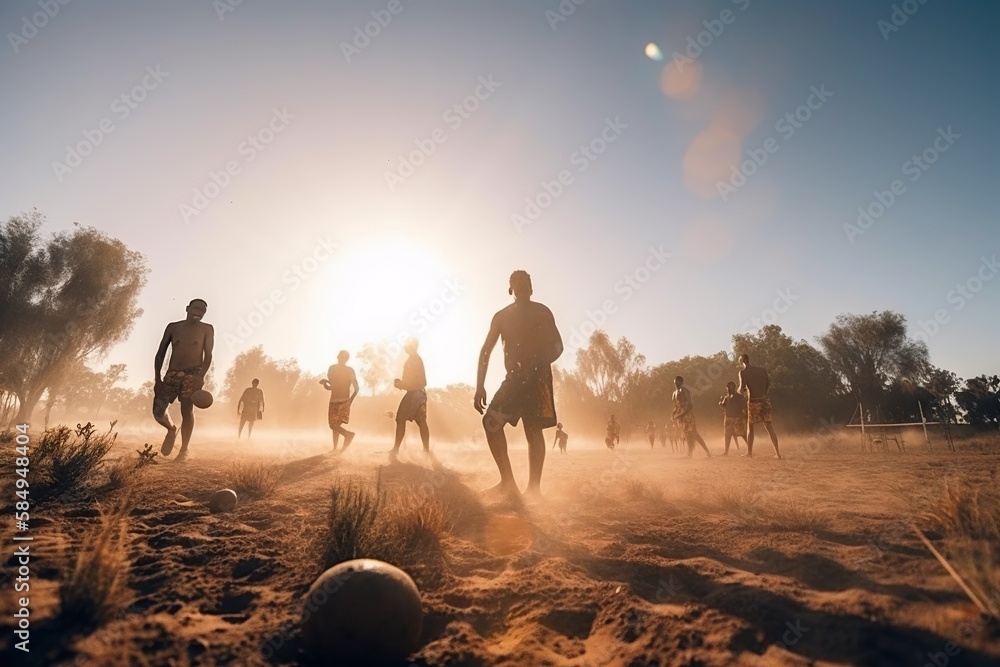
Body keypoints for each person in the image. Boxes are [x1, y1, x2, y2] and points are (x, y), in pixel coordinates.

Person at [474, 270, 563, 497]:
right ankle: (508, 483)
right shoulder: (501, 317)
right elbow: (486, 351)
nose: (522, 288)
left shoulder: (543, 312)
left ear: (532, 288)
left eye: (526, 284)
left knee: (533, 430)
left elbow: (558, 346)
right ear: (511, 289)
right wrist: (479, 386)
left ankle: (534, 489)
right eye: (518, 285)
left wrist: (538, 363)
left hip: (537, 378)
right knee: (491, 423)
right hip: (513, 380)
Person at [153, 298, 214, 462]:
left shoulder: (207, 329)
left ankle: (183, 451)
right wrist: (157, 378)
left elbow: (208, 355)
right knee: (158, 411)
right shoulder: (173, 327)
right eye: (196, 308)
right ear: (187, 308)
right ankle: (171, 429)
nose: (199, 311)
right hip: (172, 373)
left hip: (193, 373)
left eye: (203, 310)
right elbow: (160, 353)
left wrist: (200, 376)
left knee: (187, 410)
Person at [389, 338, 430, 462]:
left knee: (403, 418)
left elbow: (421, 381)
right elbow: (413, 382)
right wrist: (402, 384)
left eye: (407, 345)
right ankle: (425, 450)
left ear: (412, 346)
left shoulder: (415, 360)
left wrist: (402, 384)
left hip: (416, 394)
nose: (404, 347)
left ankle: (396, 450)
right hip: (416, 393)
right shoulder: (413, 359)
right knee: (420, 420)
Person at [737, 353, 782, 459]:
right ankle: (778, 453)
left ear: (742, 362)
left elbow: (742, 387)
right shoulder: (762, 370)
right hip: (765, 400)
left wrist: (739, 391)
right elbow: (768, 383)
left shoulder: (743, 372)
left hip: (753, 401)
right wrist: (764, 393)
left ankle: (749, 453)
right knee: (769, 426)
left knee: (750, 427)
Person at [321, 350, 359, 453]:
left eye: (344, 357)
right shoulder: (332, 369)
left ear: (346, 359)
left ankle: (348, 435)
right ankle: (335, 448)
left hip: (343, 401)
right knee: (335, 426)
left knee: (333, 425)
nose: (341, 358)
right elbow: (333, 387)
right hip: (333, 400)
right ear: (338, 357)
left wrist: (350, 401)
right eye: (340, 356)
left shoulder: (349, 371)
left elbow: (356, 388)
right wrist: (325, 384)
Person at [671, 375, 712, 458]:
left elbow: (690, 404)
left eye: (678, 382)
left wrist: (682, 414)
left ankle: (707, 452)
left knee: (694, 434)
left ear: (682, 382)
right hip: (681, 417)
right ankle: (690, 454)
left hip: (688, 416)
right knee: (687, 435)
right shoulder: (674, 393)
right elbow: (676, 406)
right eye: (675, 383)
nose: (676, 384)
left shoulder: (684, 390)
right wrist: (674, 414)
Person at [719, 381, 747, 455]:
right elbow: (724, 406)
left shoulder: (739, 397)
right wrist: (721, 403)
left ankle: (750, 449)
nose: (728, 389)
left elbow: (744, 407)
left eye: (729, 387)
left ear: (734, 387)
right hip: (728, 418)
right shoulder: (727, 397)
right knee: (727, 435)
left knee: (742, 434)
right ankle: (726, 452)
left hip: (737, 418)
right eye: (728, 387)